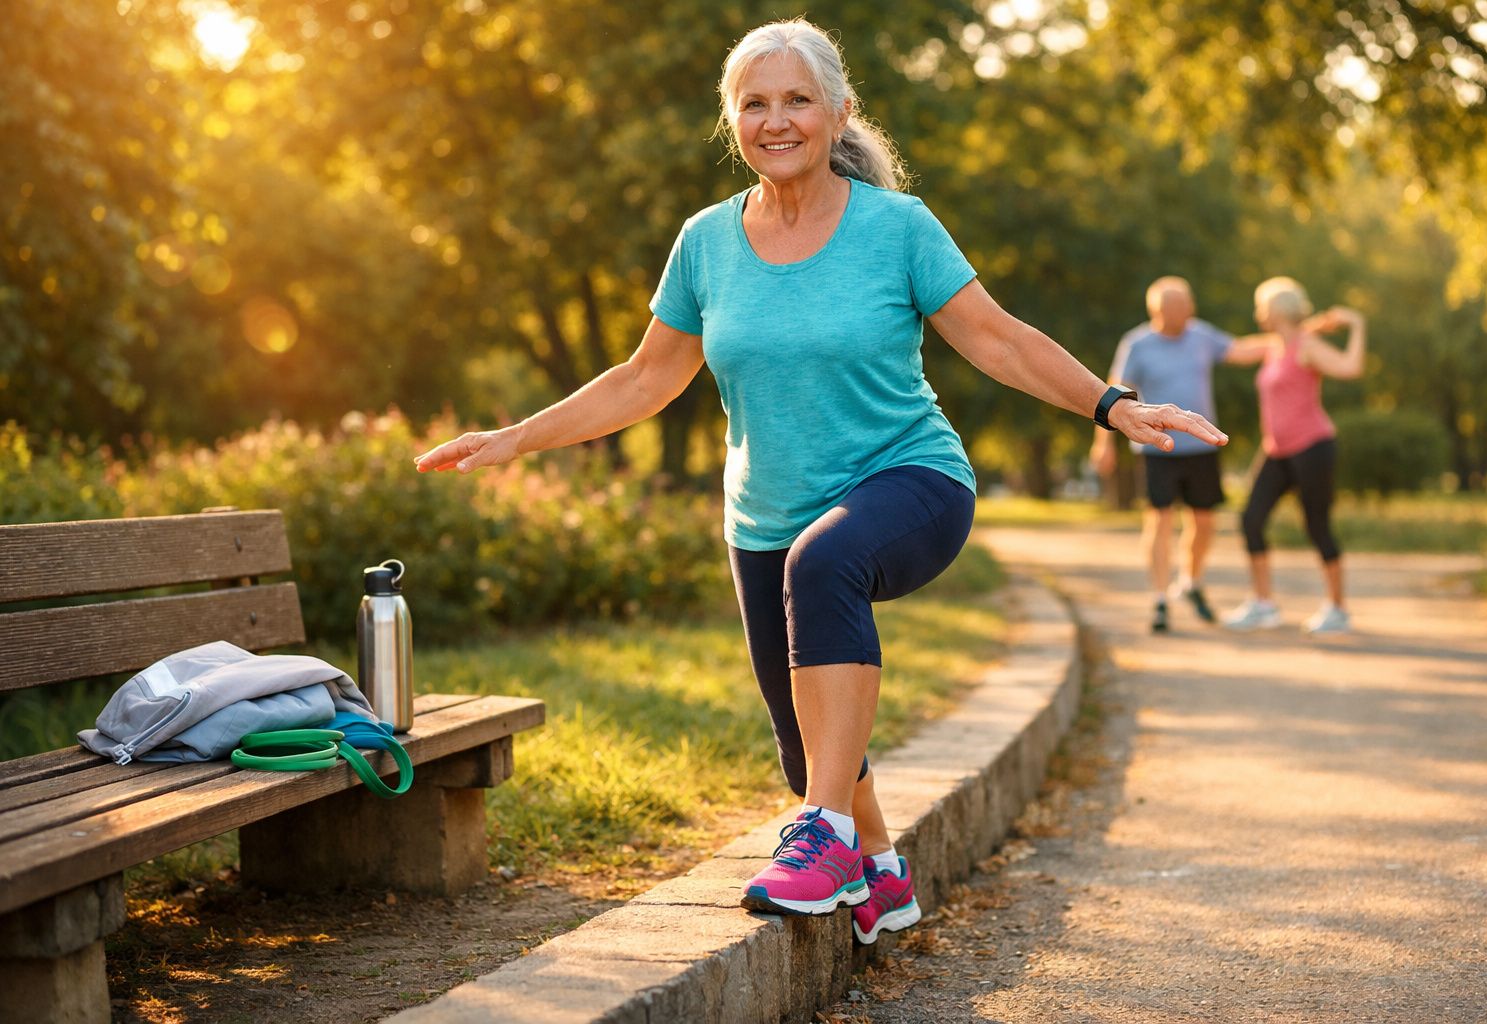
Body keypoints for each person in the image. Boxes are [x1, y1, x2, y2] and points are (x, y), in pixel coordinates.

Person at [414, 18, 1225, 944]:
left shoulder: (897, 228)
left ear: (838, 113)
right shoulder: (706, 243)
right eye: (754, 104)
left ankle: (826, 836)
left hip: (910, 479)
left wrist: (1112, 405)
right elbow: (644, 378)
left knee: (824, 567)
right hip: (764, 515)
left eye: (797, 100)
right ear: (733, 121)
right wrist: (517, 438)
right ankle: (879, 871)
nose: (777, 120)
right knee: (807, 740)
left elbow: (998, 339)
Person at [1090, 277, 1253, 634]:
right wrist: (1103, 443)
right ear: (1157, 311)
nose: (1186, 313)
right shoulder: (1137, 344)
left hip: (1203, 446)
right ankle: (1160, 598)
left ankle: (1190, 581)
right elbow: (1112, 393)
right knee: (1160, 520)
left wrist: (1296, 335)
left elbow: (1242, 350)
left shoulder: (1202, 336)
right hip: (1157, 448)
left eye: (1187, 306)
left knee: (1204, 522)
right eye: (1177, 308)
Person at [1221, 277, 1366, 635]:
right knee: (1251, 520)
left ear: (1276, 311)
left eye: (1261, 307)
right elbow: (1234, 350)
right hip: (1277, 451)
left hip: (1313, 447)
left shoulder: (1307, 346)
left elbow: (1350, 367)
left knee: (1317, 526)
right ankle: (1263, 605)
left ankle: (1338, 609)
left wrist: (1357, 325)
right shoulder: (1273, 346)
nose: (1258, 314)